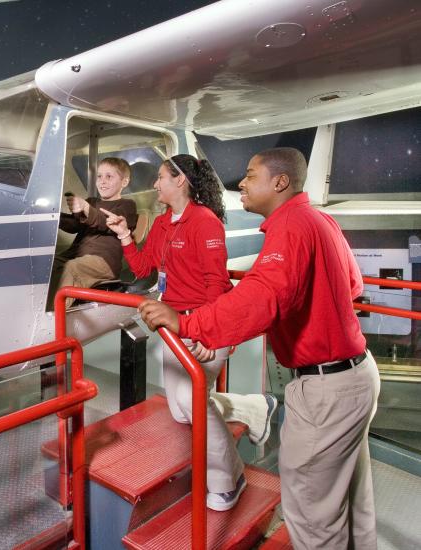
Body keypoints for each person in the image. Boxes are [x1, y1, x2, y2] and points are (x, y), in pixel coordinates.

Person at [137, 148, 379, 548]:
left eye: (250, 175)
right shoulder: (319, 219)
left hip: (326, 389)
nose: (241, 184)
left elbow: (262, 297)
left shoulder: (290, 227)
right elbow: (353, 285)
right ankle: (252, 408)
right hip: (357, 375)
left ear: (280, 182)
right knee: (354, 501)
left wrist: (188, 323)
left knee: (313, 514)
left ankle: (247, 422)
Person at [102, 153, 275, 512]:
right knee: (182, 411)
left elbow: (216, 284)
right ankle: (255, 408)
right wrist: (123, 235)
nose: (155, 184)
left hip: (202, 326)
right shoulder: (165, 223)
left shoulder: (205, 223)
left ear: (180, 181)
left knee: (193, 405)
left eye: (161, 177)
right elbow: (143, 268)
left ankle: (230, 480)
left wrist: (212, 335)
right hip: (173, 326)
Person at [50, 157, 138, 308]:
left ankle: (54, 317)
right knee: (49, 264)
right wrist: (53, 216)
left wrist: (85, 208)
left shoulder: (127, 206)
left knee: (73, 268)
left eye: (109, 176)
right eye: (99, 176)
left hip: (103, 262)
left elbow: (105, 222)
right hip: (78, 255)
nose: (102, 181)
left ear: (124, 182)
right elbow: (74, 225)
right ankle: (42, 310)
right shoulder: (92, 201)